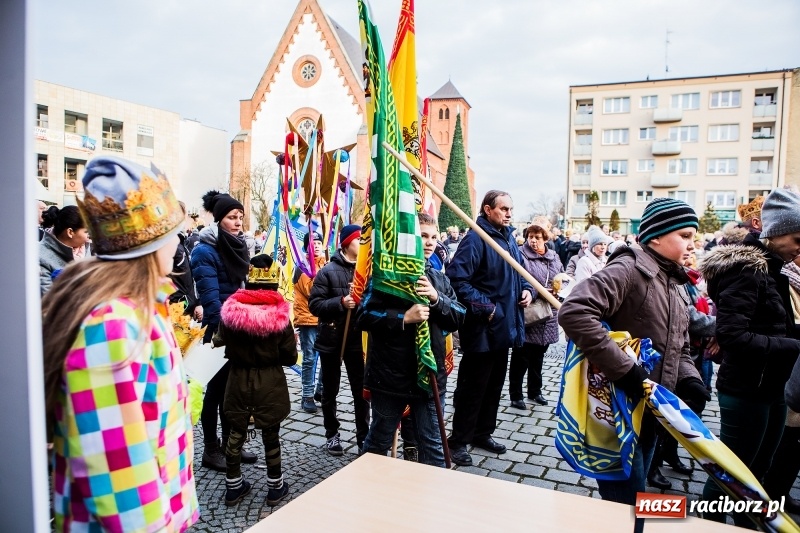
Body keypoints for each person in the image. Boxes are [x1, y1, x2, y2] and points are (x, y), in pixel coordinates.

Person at [43, 156, 198, 532]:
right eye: (172, 232)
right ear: (151, 242)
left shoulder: (144, 307)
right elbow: (117, 469)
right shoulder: (112, 326)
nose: (179, 240)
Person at [558, 197, 707, 533]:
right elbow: (574, 312)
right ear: (656, 236)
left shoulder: (674, 281)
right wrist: (625, 370)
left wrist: (689, 380)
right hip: (617, 410)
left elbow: (677, 344)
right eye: (684, 235)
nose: (692, 243)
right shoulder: (628, 269)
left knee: (639, 503)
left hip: (652, 408)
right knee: (627, 509)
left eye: (693, 236)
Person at [700, 188, 800, 527]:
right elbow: (732, 335)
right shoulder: (748, 270)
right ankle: (704, 522)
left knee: (758, 470)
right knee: (730, 472)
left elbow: (779, 328)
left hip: (773, 386)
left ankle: (743, 523)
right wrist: (795, 346)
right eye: (797, 238)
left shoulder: (775, 270)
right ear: (773, 232)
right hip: (745, 389)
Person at [358, 213, 465, 466]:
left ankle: (431, 499)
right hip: (390, 376)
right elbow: (364, 316)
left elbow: (459, 316)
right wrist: (402, 317)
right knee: (379, 442)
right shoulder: (385, 275)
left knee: (433, 445)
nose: (429, 243)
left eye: (433, 237)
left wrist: (437, 299)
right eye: (422, 236)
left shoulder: (438, 278)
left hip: (428, 376)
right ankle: (366, 492)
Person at [446, 190, 533, 467]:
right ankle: (458, 441)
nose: (509, 213)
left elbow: (519, 273)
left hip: (505, 327)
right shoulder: (476, 239)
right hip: (484, 328)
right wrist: (488, 309)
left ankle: (483, 433)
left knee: (494, 386)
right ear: (487, 210)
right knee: (473, 388)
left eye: (511, 209)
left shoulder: (508, 238)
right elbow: (458, 280)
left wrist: (528, 290)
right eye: (504, 209)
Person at [215, 254, 297, 507]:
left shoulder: (230, 312)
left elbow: (219, 342)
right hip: (269, 383)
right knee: (271, 436)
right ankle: (275, 487)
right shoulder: (280, 317)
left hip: (238, 380)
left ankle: (233, 487)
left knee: (235, 433)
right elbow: (291, 357)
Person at [191, 190, 256, 471]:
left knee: (234, 396)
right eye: (232, 217)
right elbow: (211, 300)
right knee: (216, 394)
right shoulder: (205, 250)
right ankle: (210, 449)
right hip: (219, 334)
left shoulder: (239, 246)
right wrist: (228, 330)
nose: (238, 222)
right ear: (219, 220)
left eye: (240, 217)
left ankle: (232, 446)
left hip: (238, 330)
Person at [309, 224, 369, 456]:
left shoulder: (367, 269)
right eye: (358, 240)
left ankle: (364, 437)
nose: (363, 244)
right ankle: (331, 434)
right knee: (330, 390)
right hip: (332, 339)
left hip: (358, 341)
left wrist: (363, 299)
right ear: (347, 243)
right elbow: (315, 305)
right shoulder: (327, 271)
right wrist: (341, 303)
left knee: (360, 391)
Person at [508, 222, 562, 409]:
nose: (533, 241)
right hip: (529, 312)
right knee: (521, 357)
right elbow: (518, 281)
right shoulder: (521, 256)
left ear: (545, 239)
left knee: (538, 357)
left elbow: (561, 277)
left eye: (537, 237)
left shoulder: (554, 257)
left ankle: (535, 391)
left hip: (548, 315)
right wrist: (538, 292)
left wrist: (558, 290)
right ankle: (516, 394)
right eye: (530, 236)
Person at [294, 231, 326, 413]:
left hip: (326, 317)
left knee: (328, 356)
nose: (317, 245)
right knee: (310, 358)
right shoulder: (302, 266)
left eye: (319, 242)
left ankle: (320, 391)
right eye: (313, 242)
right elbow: (313, 290)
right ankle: (307, 395)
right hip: (308, 318)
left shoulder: (327, 263)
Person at [39, 205, 90, 295]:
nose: (90, 237)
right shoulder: (41, 256)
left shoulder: (88, 248)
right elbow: (50, 300)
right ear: (70, 232)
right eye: (87, 232)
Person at [169, 200, 203, 322]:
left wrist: (195, 303)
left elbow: (188, 279)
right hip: (175, 311)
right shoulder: (170, 246)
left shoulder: (181, 243)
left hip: (185, 309)